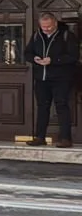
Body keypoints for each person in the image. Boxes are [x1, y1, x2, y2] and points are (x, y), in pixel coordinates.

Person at [27, 9, 77, 147]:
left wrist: (53, 60)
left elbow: (73, 56)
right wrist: (34, 59)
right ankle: (39, 137)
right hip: (41, 78)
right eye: (43, 27)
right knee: (42, 107)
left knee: (61, 106)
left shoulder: (67, 35)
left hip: (61, 78)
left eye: (49, 27)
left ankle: (65, 138)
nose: (46, 29)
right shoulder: (37, 35)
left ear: (55, 23)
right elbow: (27, 52)